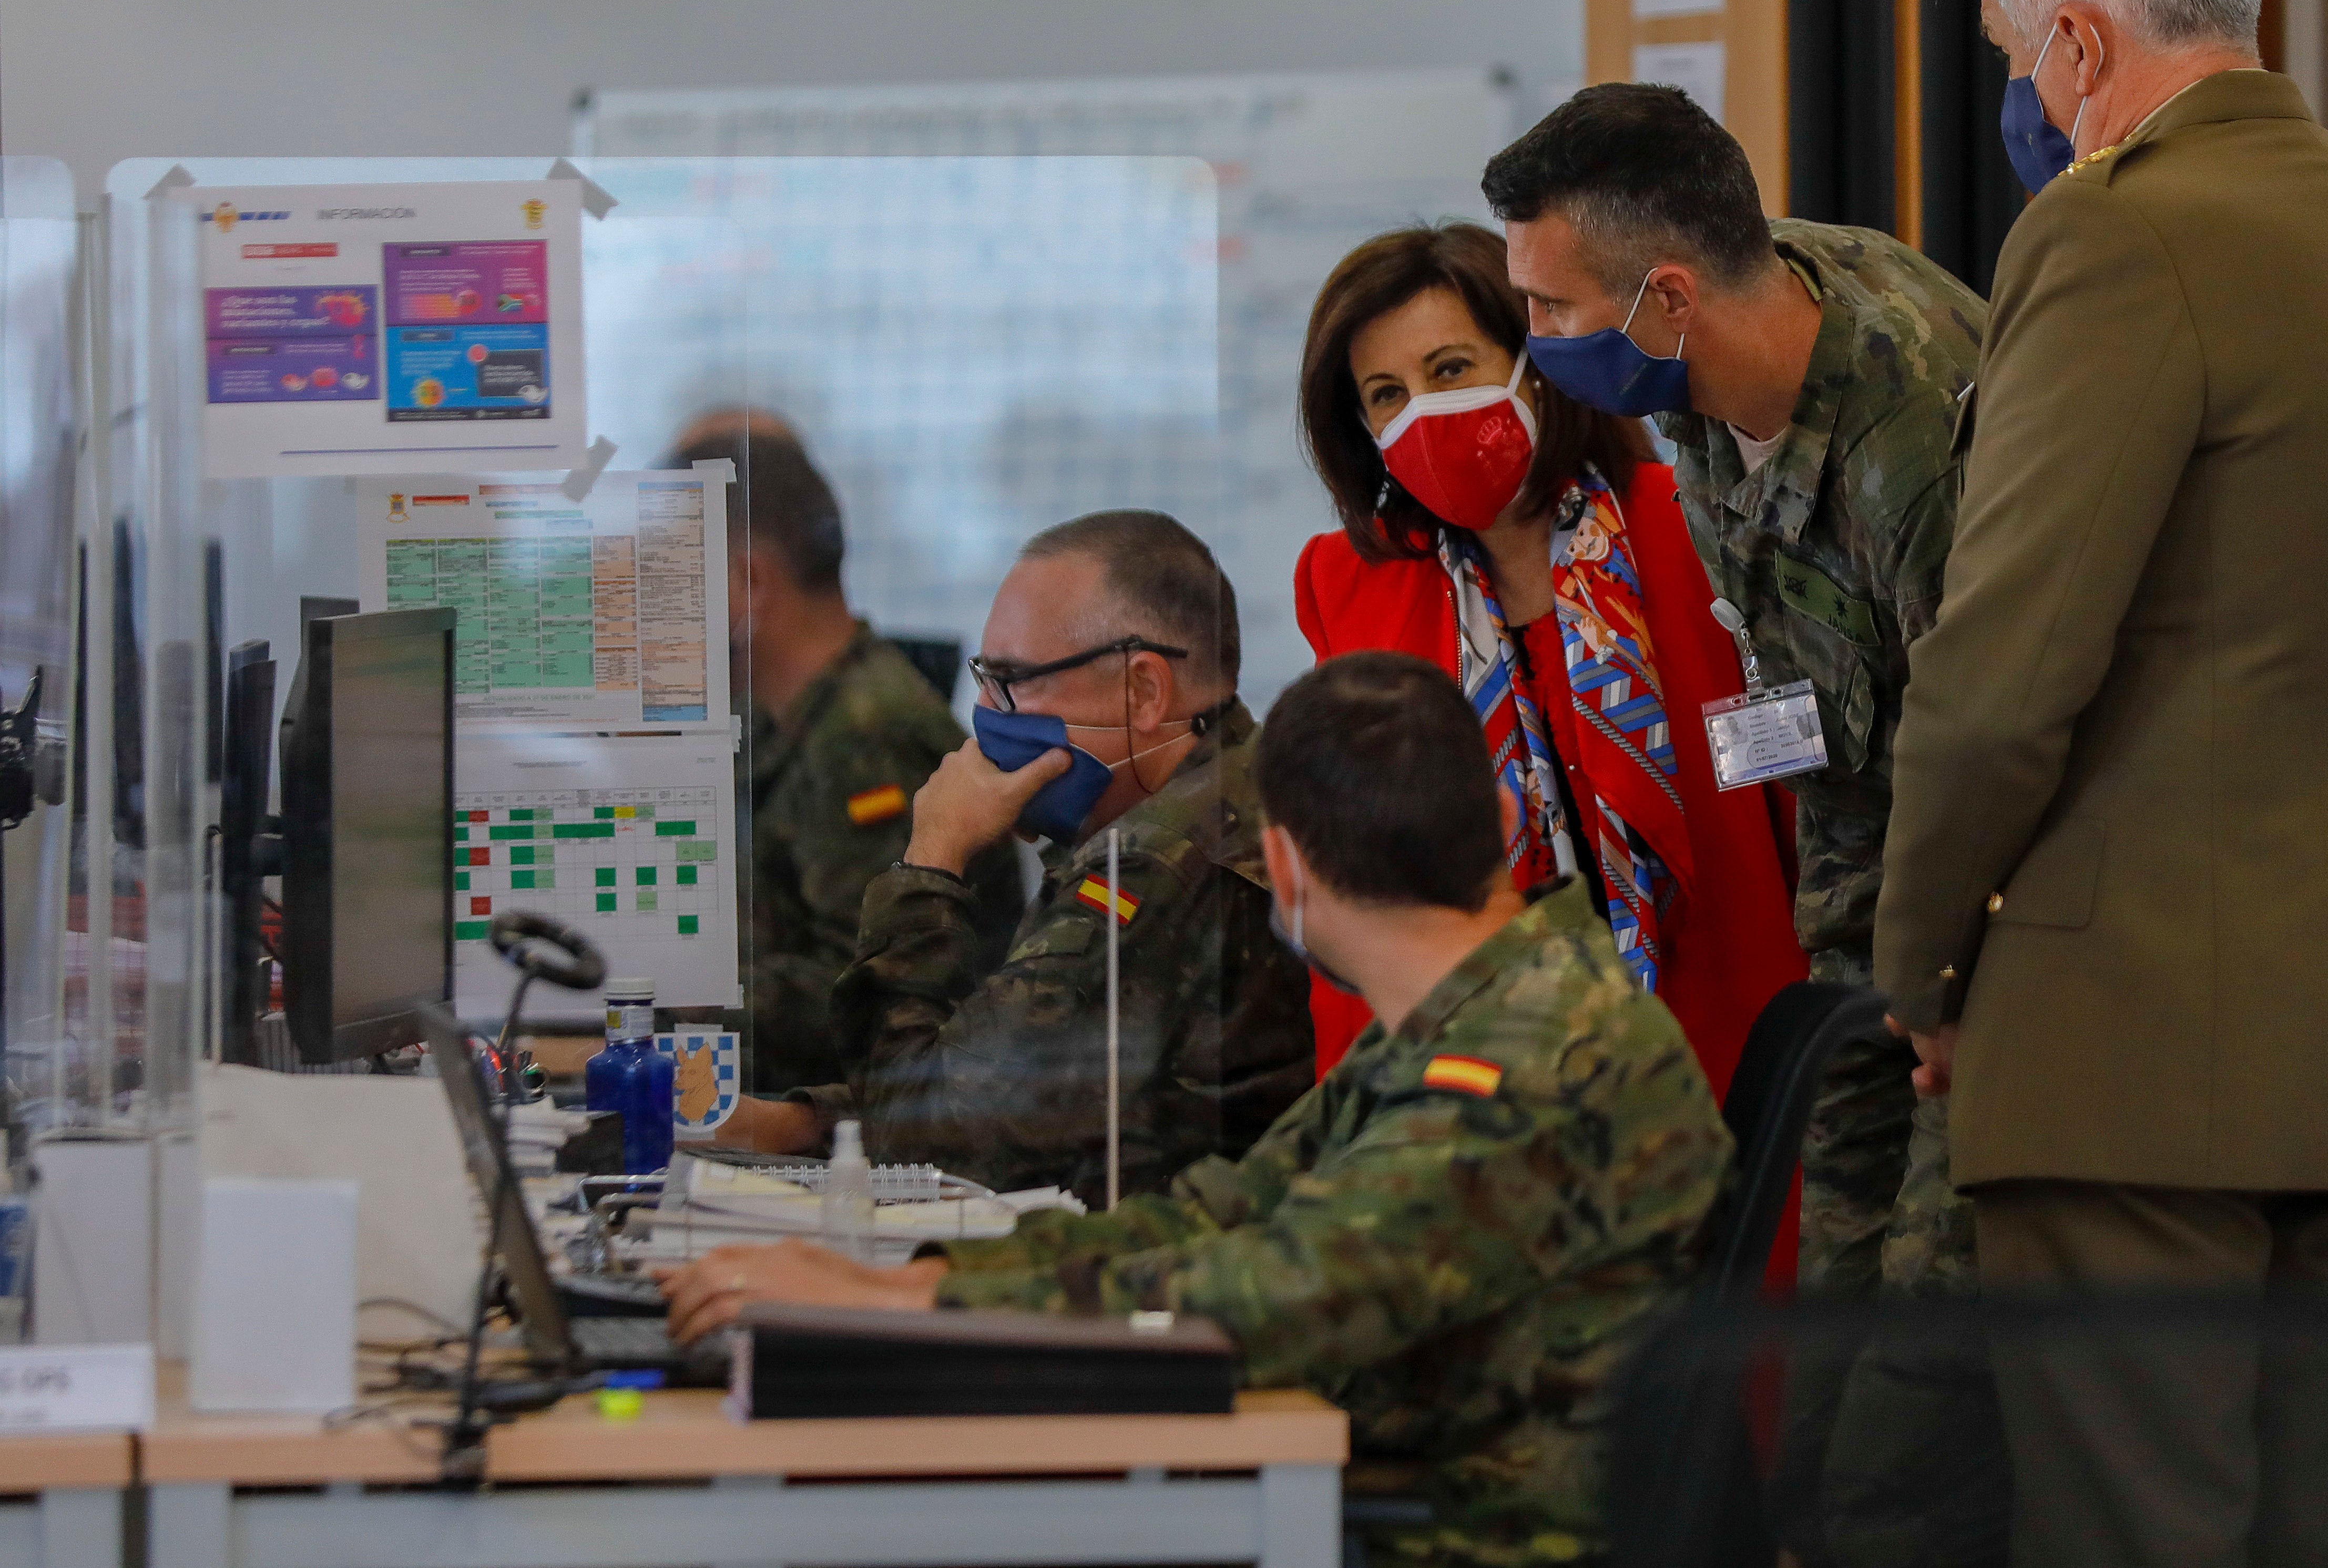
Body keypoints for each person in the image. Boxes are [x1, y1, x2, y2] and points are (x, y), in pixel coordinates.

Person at [1877, 0, 2328, 1566]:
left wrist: (1926, 968)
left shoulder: (2113, 234)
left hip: (2128, 1032)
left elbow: (2003, 673)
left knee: (2134, 1530)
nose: (2027, 102)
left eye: (2020, 61)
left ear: (2081, 48)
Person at [662, 650, 1734, 1567]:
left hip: (1465, 1530)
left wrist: (897, 1315)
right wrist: (906, 1282)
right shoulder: (1470, 1009)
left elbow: (1277, 1293)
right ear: (1501, 817)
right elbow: (1218, 1213)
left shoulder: (1527, 1054)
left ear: (1282, 866)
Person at [1483, 83, 2002, 1562]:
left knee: (1912, 1414)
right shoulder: (1702, 369)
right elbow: (1806, 710)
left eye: (1546, 304)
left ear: (1662, 294)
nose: (1535, 346)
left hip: (1985, 969)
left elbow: (2002, 749)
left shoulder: (1921, 439)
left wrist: (1935, 989)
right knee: (1810, 1370)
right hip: (1858, 945)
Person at [1290, 222, 1804, 1100]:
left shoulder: (1700, 527)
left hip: (1720, 1057)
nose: (1421, 412)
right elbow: (1356, 879)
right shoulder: (1345, 586)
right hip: (1478, 1086)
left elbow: (1801, 809)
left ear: (1541, 362)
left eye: (1451, 370)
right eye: (1386, 394)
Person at [717, 510, 1316, 1207]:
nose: (985, 710)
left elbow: (934, 1141)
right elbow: (1000, 1079)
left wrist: (931, 860)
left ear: (1145, 691)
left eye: (1012, 680)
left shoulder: (1160, 861)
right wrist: (801, 1123)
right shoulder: (1223, 784)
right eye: (984, 676)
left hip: (1139, 1283)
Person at [660, 415, 1024, 1093]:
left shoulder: (867, 733)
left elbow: (868, 993)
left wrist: (673, 985)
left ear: (747, 583)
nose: (655, 615)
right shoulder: (780, 716)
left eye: (670, 579)